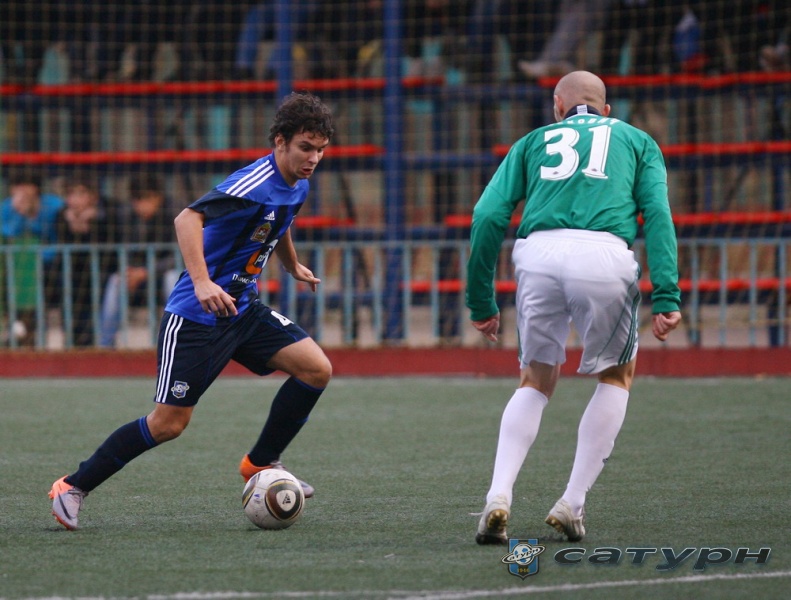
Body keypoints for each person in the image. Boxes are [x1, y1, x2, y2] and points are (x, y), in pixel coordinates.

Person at [49, 92, 335, 530]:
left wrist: (291, 264)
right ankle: (72, 486)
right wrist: (202, 282)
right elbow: (186, 219)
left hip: (242, 309)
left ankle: (260, 462)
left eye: (320, 149)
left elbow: (279, 222)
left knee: (316, 369)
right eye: (305, 147)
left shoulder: (298, 182)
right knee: (168, 424)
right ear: (280, 141)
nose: (313, 158)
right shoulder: (253, 183)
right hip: (196, 318)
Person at [467, 71, 681, 544]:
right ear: (606, 110)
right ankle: (572, 503)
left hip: (538, 254)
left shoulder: (532, 141)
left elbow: (487, 214)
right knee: (616, 375)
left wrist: (480, 300)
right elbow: (658, 214)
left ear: (557, 107)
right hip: (603, 255)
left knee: (535, 379)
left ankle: (498, 496)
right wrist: (667, 292)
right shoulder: (638, 141)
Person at [98, 175, 180, 348]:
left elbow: (180, 255)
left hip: (163, 275)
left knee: (173, 278)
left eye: (147, 198)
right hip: (137, 278)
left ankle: (178, 340)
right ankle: (105, 345)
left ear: (159, 197)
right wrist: (129, 270)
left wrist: (148, 271)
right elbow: (121, 250)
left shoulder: (175, 212)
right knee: (116, 281)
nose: (142, 205)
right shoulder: (127, 216)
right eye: (137, 200)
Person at [0, 171, 63, 347]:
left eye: (24, 186)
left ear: (35, 188)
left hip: (51, 266)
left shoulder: (54, 206)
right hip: (19, 271)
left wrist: (40, 255)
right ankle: (20, 335)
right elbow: (7, 234)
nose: (20, 191)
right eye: (16, 187)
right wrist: (20, 213)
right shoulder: (7, 207)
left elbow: (60, 239)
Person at [50, 180, 115, 347]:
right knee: (66, 286)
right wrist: (74, 223)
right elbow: (62, 243)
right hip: (71, 274)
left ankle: (101, 345)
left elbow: (108, 247)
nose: (75, 199)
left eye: (81, 193)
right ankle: (71, 343)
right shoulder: (61, 215)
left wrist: (92, 222)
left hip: (101, 272)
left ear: (93, 196)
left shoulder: (107, 212)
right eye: (71, 194)